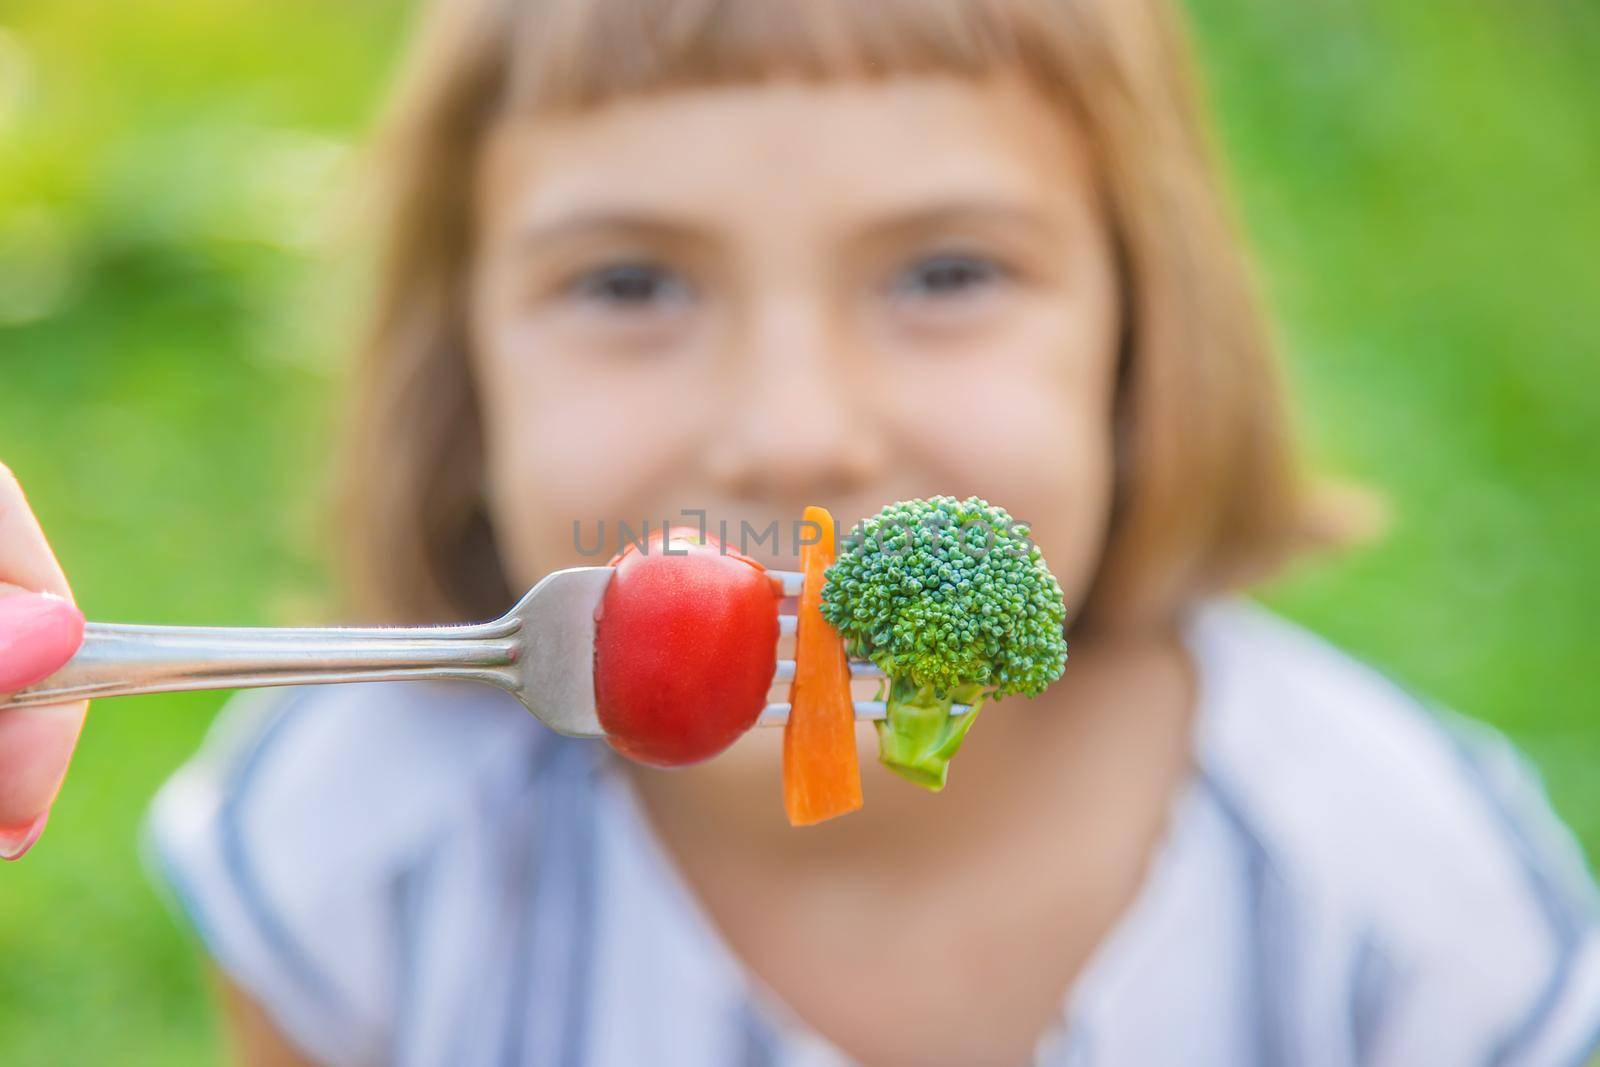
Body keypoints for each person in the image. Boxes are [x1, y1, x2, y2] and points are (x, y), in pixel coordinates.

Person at [5, 0, 1598, 1063]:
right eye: (630, 283)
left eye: (945, 274)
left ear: (1144, 329)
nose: (791, 426)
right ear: (460, 370)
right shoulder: (353, 852)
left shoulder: (1403, 906)